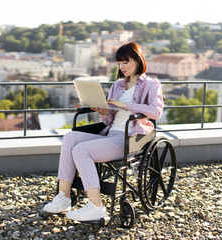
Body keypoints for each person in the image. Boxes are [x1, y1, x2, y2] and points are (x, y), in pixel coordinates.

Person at [42, 42, 164, 222]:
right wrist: (104, 112)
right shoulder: (117, 85)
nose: (121, 67)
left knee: (81, 150)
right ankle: (63, 197)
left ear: (138, 60)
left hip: (131, 138)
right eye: (119, 64)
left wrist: (126, 105)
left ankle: (96, 207)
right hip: (110, 134)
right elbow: (109, 119)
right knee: (70, 137)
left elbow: (156, 112)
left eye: (125, 62)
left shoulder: (151, 84)